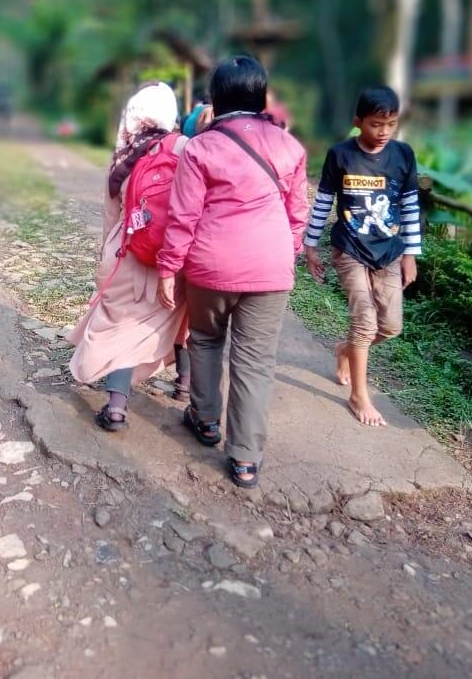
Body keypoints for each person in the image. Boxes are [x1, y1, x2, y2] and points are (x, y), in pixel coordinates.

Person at [157, 56, 308, 488]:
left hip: (211, 266)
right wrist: (285, 253)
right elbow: (296, 216)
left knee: (204, 339)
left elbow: (183, 217)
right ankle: (244, 459)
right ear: (260, 97)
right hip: (270, 268)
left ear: (215, 100)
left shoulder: (201, 147)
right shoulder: (290, 147)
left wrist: (169, 268)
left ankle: (205, 422)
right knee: (256, 362)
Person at [67, 82, 191, 431]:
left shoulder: (122, 155)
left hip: (128, 254)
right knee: (182, 315)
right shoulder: (187, 149)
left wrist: (104, 264)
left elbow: (111, 219)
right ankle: (184, 385)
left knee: (120, 326)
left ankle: (117, 407)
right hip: (174, 257)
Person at [303, 86, 421, 428]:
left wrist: (411, 253)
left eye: (391, 124)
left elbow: (410, 206)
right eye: (375, 124)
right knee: (365, 321)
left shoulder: (403, 155)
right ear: (358, 122)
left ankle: (346, 349)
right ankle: (359, 395)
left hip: (389, 251)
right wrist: (310, 246)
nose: (383, 132)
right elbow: (324, 202)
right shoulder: (341, 154)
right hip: (349, 247)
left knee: (391, 326)